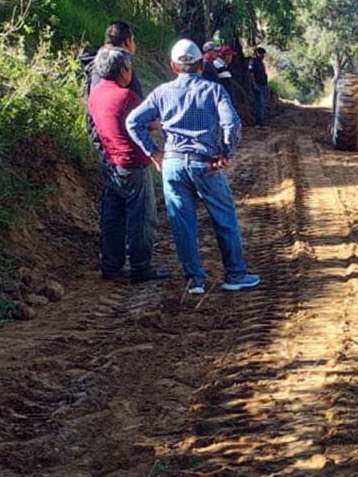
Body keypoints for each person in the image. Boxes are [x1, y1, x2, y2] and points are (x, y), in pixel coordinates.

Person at [126, 39, 260, 295]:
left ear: (173, 67)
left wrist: (153, 152)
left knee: (182, 223)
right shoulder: (214, 91)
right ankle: (235, 274)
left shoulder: (161, 93)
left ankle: (195, 280)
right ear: (201, 65)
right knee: (224, 218)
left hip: (173, 164)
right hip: (205, 164)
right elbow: (232, 124)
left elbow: (133, 121)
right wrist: (226, 153)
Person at [87, 47, 168, 284]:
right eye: (130, 68)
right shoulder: (126, 97)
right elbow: (149, 122)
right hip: (133, 164)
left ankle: (111, 264)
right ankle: (141, 267)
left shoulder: (95, 94)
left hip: (110, 163)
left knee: (113, 216)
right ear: (123, 71)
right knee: (141, 217)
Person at [83, 22, 143, 160]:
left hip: (104, 138)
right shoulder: (120, 66)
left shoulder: (96, 63)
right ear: (127, 42)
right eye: (133, 40)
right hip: (122, 146)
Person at [249, 46, 268, 126]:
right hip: (258, 85)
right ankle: (259, 121)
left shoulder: (261, 63)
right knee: (260, 103)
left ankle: (261, 119)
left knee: (262, 103)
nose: (263, 55)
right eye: (261, 54)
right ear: (257, 53)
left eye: (263, 54)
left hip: (263, 85)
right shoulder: (253, 62)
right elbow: (251, 74)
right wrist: (254, 85)